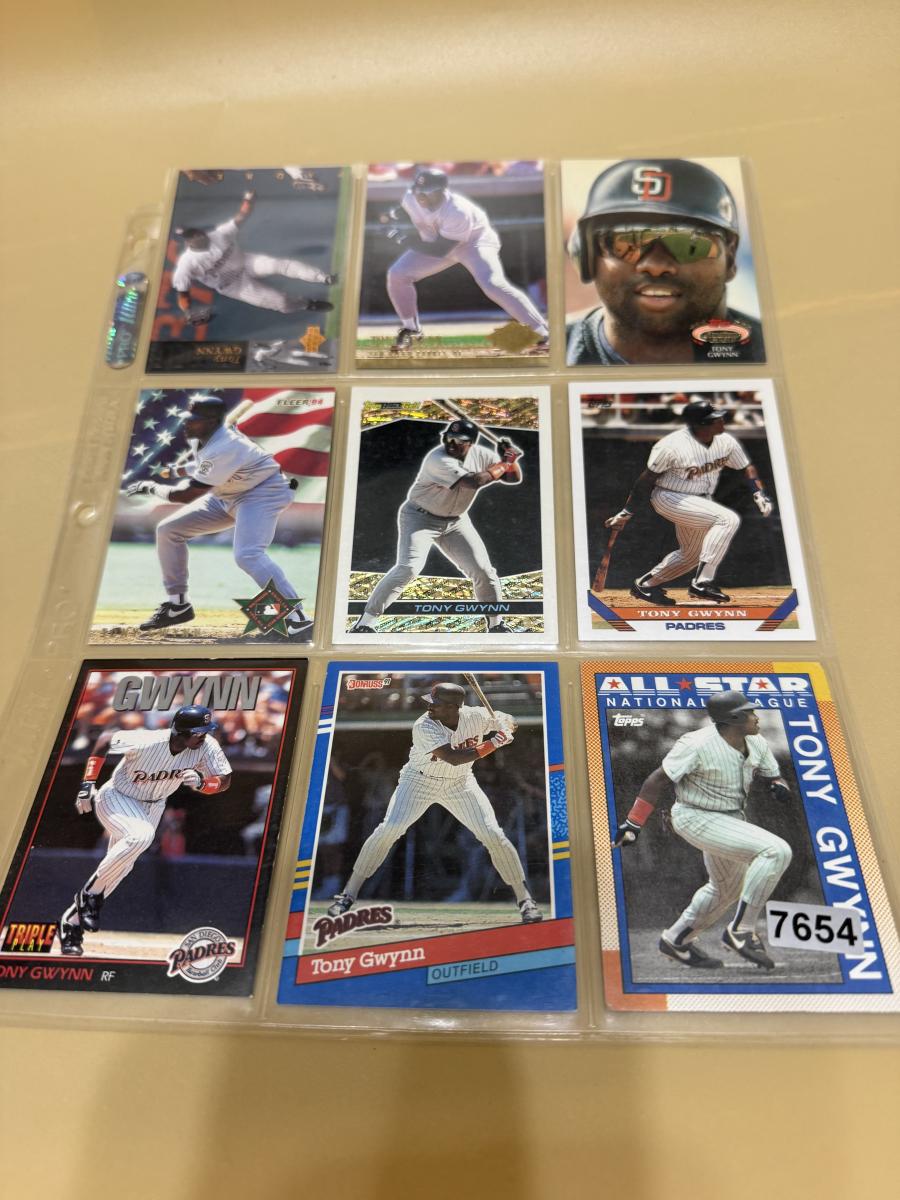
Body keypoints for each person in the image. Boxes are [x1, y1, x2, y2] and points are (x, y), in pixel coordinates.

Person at [326, 682, 543, 924]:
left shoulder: (475, 716)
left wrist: (505, 725)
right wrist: (495, 742)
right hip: (418, 781)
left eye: (436, 703)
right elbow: (454, 758)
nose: (429, 706)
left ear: (453, 707)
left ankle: (525, 900)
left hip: (460, 783)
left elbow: (510, 720)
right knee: (389, 829)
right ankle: (347, 895)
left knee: (493, 834)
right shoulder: (424, 725)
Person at [612, 691, 793, 970]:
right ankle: (742, 930)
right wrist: (634, 823)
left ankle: (676, 939)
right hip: (695, 816)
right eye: (749, 712)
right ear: (733, 719)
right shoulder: (696, 743)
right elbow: (656, 780)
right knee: (776, 851)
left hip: (731, 820)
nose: (756, 717)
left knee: (727, 888)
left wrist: (778, 785)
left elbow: (774, 775)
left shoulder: (756, 742)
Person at [126, 394, 314, 639]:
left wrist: (151, 488)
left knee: (248, 555)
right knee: (168, 530)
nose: (187, 423)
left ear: (212, 421)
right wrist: (175, 471)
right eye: (188, 418)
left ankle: (297, 619)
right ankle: (178, 605)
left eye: (194, 419)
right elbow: (203, 465)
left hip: (262, 493)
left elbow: (186, 494)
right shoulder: (204, 438)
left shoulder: (226, 446)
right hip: (226, 494)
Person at [58, 706, 232, 957]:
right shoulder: (149, 740)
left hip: (154, 805)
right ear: (181, 732)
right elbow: (105, 740)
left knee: (121, 867)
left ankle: (71, 923)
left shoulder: (207, 746)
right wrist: (88, 783)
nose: (204, 736)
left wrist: (205, 783)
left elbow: (224, 780)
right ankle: (89, 895)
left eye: (206, 731)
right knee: (140, 837)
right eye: (198, 732)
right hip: (118, 797)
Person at [566, 158, 765, 365]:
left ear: (730, 258)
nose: (656, 266)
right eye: (628, 243)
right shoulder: (552, 353)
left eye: (689, 244)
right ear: (587, 257)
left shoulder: (777, 352)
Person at [350, 417, 521, 633]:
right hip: (420, 518)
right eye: (449, 438)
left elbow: (512, 478)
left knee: (483, 571)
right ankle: (364, 624)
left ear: (471, 443)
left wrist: (510, 460)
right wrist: (505, 462)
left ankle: (496, 625)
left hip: (456, 521)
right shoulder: (438, 458)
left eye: (459, 440)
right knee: (409, 568)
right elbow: (474, 481)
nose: (451, 443)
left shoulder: (481, 455)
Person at [603, 400, 774, 604]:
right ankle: (702, 583)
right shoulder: (671, 446)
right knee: (727, 519)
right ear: (700, 424)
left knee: (691, 555)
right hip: (669, 496)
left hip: (700, 500)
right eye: (715, 419)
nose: (721, 421)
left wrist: (758, 493)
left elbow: (746, 467)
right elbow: (645, 480)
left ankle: (645, 585)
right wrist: (627, 512)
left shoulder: (726, 441)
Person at [381, 166, 549, 351]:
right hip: (437, 241)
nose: (420, 196)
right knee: (397, 275)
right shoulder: (411, 196)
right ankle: (411, 329)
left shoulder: (457, 210)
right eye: (418, 190)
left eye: (426, 192)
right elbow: (407, 208)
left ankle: (542, 332)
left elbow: (440, 250)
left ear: (441, 191)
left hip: (474, 244)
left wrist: (401, 238)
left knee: (492, 284)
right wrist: (390, 215)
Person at [172, 188, 335, 322]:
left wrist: (248, 200)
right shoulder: (187, 264)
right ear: (187, 243)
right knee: (281, 302)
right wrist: (187, 311)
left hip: (246, 262)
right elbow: (183, 294)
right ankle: (307, 304)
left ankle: (324, 278)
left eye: (195, 232)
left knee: (279, 265)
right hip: (234, 285)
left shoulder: (219, 235)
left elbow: (241, 216)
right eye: (191, 237)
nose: (196, 236)